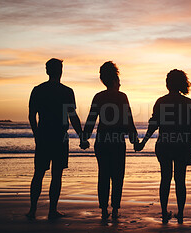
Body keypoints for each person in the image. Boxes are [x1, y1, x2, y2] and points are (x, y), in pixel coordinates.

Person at [135, 69, 191, 224]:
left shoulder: (161, 101)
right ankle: (180, 214)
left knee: (165, 179)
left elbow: (153, 124)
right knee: (181, 180)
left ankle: (163, 212)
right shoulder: (188, 103)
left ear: (168, 84)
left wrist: (143, 142)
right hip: (183, 145)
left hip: (165, 145)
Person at [26, 58, 85, 220]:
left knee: (38, 173)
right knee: (56, 174)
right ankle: (52, 210)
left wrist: (36, 134)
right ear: (61, 71)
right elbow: (73, 116)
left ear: (47, 71)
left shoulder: (38, 90)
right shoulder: (67, 91)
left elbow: (32, 116)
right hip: (60, 137)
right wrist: (82, 137)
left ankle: (32, 210)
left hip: (44, 135)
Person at [82, 61, 139, 220]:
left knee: (103, 174)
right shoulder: (122, 97)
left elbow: (91, 120)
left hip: (101, 141)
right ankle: (114, 208)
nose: (120, 84)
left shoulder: (98, 97)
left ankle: (103, 209)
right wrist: (135, 140)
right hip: (117, 141)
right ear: (114, 81)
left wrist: (84, 138)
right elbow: (129, 120)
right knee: (117, 175)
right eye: (119, 81)